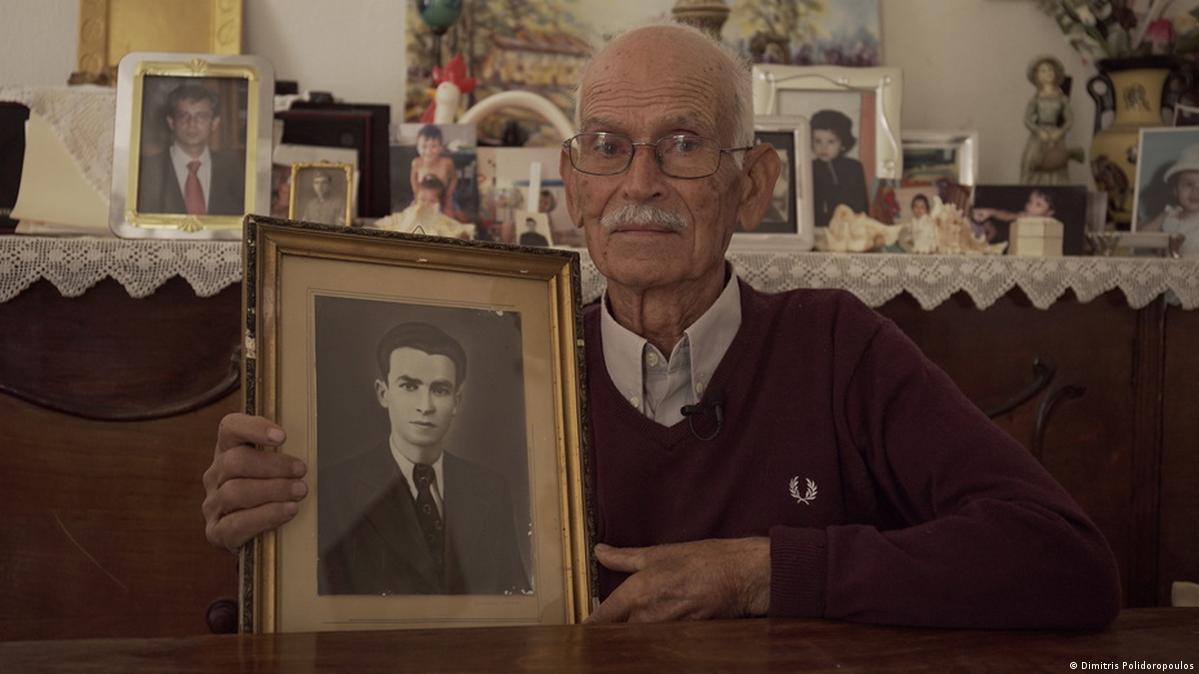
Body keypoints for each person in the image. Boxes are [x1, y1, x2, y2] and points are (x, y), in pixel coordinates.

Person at [203, 22, 1120, 629]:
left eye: (681, 145)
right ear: (574, 188)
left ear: (751, 186)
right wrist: (283, 529)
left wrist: (762, 574)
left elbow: (1064, 560)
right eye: (606, 148)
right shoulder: (502, 365)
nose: (638, 184)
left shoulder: (835, 348)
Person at [318, 321, 528, 595]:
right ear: (383, 393)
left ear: (457, 401)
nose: (425, 406)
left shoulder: (491, 488)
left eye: (440, 390)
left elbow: (515, 595)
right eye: (409, 386)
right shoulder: (334, 489)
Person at [137, 81, 245, 216]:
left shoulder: (234, 169)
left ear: (214, 123)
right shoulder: (146, 170)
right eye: (183, 115)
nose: (192, 123)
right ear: (171, 122)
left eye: (201, 116)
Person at [1020, 56, 1085, 186]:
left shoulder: (1061, 98)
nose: (1048, 73)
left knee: (1057, 162)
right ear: (1037, 75)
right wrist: (1038, 132)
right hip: (1039, 135)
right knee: (1031, 160)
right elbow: (1027, 119)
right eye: (1043, 71)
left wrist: (1060, 132)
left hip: (1056, 135)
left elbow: (1069, 119)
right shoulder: (1036, 98)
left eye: (1050, 70)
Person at [810, 109, 869, 228]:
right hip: (818, 226)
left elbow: (862, 203)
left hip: (850, 226)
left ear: (843, 144)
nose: (823, 147)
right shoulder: (810, 167)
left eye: (831, 142)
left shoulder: (854, 168)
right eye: (818, 141)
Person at [1139, 143, 1199, 257]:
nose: (1196, 192)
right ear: (1175, 190)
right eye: (1189, 184)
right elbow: (1141, 236)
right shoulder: (1169, 215)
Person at [971, 188, 1062, 243]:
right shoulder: (1026, 217)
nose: (1030, 206)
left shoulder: (1053, 224)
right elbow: (1008, 216)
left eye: (1038, 204)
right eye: (1030, 201)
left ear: (1049, 213)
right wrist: (991, 212)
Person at [409, 124, 458, 215]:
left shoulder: (447, 163)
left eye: (434, 146)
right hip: (424, 197)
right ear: (417, 148)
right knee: (412, 212)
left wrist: (448, 197)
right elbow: (413, 179)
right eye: (424, 146)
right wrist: (417, 195)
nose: (428, 151)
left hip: (443, 197)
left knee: (450, 214)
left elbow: (454, 179)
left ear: (441, 147)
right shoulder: (416, 163)